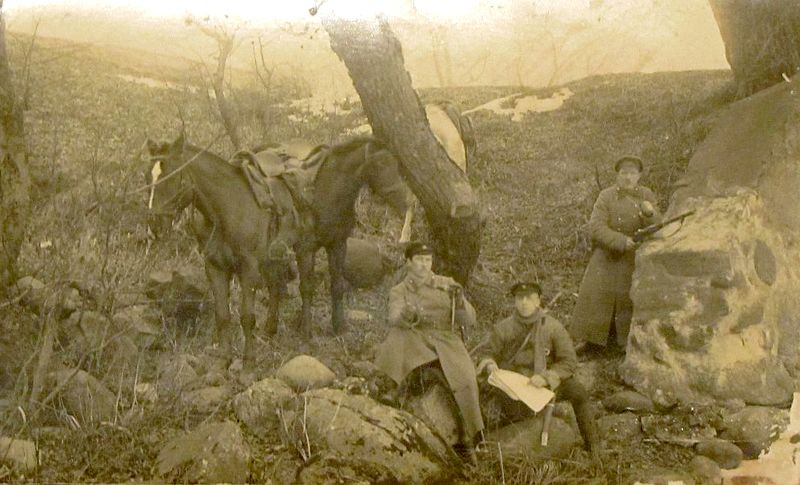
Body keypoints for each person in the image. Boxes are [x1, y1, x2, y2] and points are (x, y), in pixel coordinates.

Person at [374, 242, 484, 463]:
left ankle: (474, 437)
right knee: (398, 336)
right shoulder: (400, 290)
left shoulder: (447, 284)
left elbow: (469, 320)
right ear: (408, 263)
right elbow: (393, 316)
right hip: (416, 339)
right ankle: (394, 385)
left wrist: (460, 301)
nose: (424, 265)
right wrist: (405, 314)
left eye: (428, 260)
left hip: (445, 340)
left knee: (466, 380)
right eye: (419, 260)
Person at [476, 279, 599, 451]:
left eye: (529, 298)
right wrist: (490, 365)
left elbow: (569, 361)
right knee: (516, 415)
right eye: (520, 298)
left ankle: (593, 447)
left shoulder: (553, 327)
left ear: (538, 301)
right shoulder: (504, 328)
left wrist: (547, 377)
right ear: (515, 301)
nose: (524, 302)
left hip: (544, 383)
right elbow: (487, 353)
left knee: (578, 392)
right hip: (513, 387)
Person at [570, 156, 662, 351]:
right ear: (617, 175)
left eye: (632, 173)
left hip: (634, 254)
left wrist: (650, 214)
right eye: (624, 173)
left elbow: (657, 226)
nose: (628, 177)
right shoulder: (606, 196)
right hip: (608, 251)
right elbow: (596, 226)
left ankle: (625, 341)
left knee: (629, 293)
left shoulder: (646, 194)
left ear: (639, 176)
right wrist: (620, 241)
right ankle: (589, 338)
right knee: (595, 289)